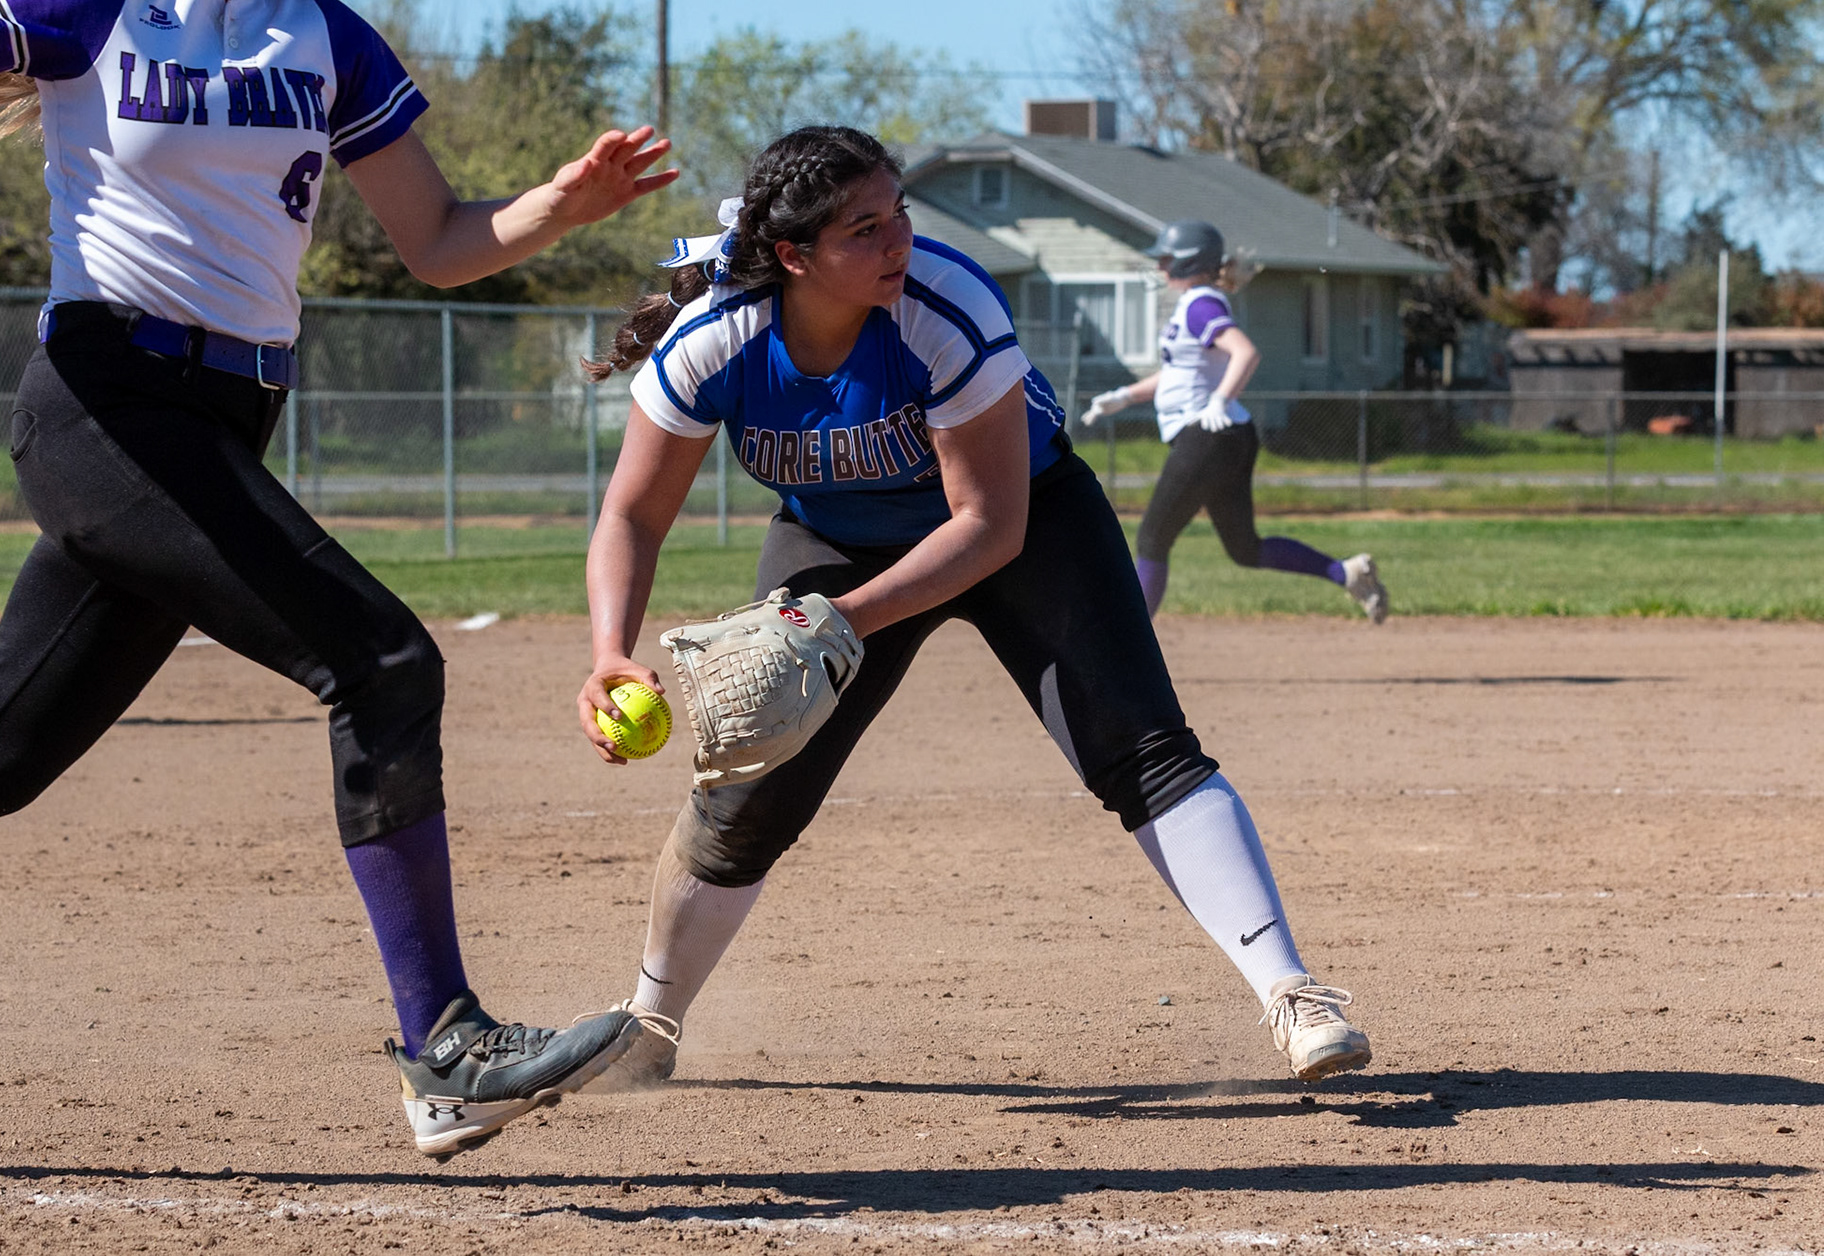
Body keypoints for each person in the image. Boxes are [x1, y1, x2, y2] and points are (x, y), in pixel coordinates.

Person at [0, 0, 679, 1158]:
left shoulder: (323, 32)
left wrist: (559, 206)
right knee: (382, 665)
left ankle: (449, 1054)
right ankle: (448, 1049)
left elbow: (439, 242)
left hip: (219, 425)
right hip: (104, 406)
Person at [573, 126, 1372, 1089]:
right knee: (751, 782)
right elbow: (631, 511)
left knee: (1140, 748)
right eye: (863, 229)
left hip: (1023, 518)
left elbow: (989, 525)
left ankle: (1293, 994)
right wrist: (610, 650)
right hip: (837, 539)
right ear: (794, 255)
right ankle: (651, 1020)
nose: (896, 239)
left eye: (898, 210)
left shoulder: (938, 307)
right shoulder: (720, 340)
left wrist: (838, 624)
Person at [1082, 220, 1390, 623]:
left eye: (1166, 258)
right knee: (1245, 548)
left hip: (1209, 435)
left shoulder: (1201, 304)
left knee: (1152, 538)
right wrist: (1125, 397)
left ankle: (1125, 647)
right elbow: (1178, 374)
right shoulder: (1194, 303)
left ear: (1190, 261)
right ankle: (1347, 572)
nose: (1160, 266)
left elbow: (1245, 353)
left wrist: (1219, 400)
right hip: (1225, 435)